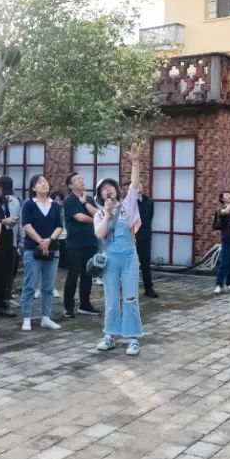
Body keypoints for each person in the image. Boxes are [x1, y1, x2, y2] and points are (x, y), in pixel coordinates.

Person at [93, 144, 144, 355]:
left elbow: (134, 184)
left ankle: (133, 338)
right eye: (104, 188)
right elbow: (100, 234)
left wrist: (135, 162)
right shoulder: (98, 214)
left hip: (129, 257)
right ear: (99, 194)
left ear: (116, 190)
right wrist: (107, 214)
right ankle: (110, 335)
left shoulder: (127, 205)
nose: (108, 189)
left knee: (130, 297)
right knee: (112, 299)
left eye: (111, 186)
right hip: (111, 260)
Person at [20, 174, 63, 333]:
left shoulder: (55, 205)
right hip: (33, 249)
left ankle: (46, 317)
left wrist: (49, 240)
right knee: (30, 285)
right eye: (40, 182)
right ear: (33, 188)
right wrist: (41, 241)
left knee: (48, 286)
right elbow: (27, 225)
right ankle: (27, 318)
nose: (44, 184)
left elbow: (59, 226)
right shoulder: (29, 204)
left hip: (52, 249)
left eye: (45, 181)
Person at [62, 174, 100, 317]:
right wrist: (96, 220)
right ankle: (68, 307)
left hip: (91, 241)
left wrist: (85, 204)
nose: (81, 181)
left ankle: (85, 305)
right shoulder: (69, 200)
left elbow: (98, 214)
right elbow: (81, 218)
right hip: (75, 243)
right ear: (71, 186)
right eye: (77, 179)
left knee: (88, 274)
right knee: (73, 275)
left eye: (82, 178)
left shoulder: (89, 199)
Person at [0, 175, 22, 316]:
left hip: (7, 238)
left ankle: (1, 302)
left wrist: (11, 222)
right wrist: (4, 221)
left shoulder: (4, 199)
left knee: (4, 273)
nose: (5, 195)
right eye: (4, 191)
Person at [137, 184, 158, 298]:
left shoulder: (149, 201)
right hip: (132, 237)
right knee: (130, 264)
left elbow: (150, 217)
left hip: (145, 236)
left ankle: (148, 288)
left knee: (146, 263)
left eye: (140, 186)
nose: (138, 188)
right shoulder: (129, 202)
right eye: (136, 186)